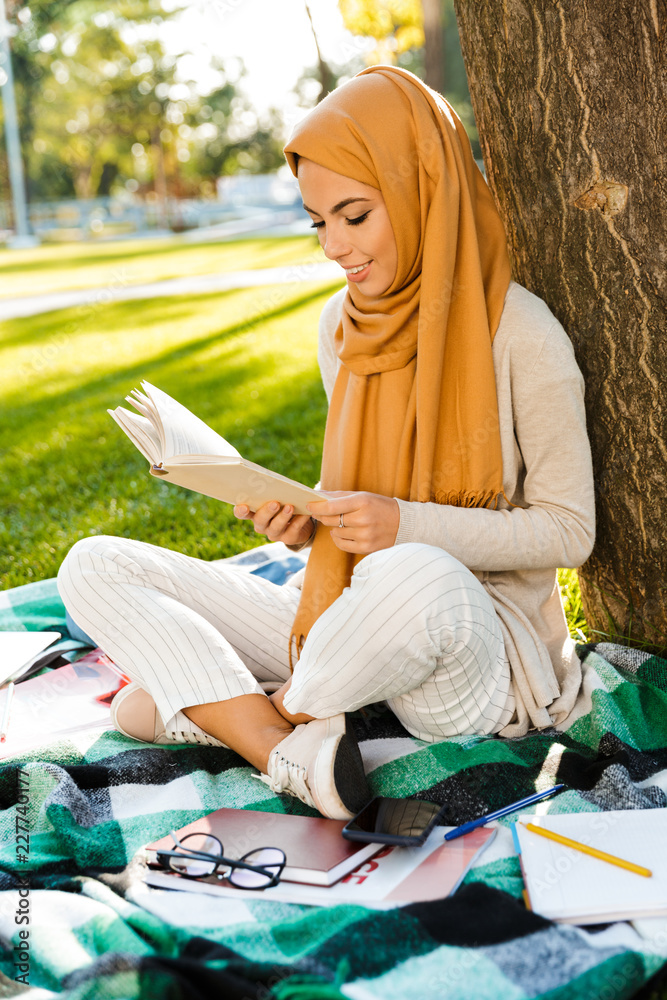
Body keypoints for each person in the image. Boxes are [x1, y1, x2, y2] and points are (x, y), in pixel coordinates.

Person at [57, 66, 595, 821]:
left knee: (409, 572)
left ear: (420, 192)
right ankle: (282, 744)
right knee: (95, 564)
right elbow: (356, 496)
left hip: (477, 653)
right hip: (349, 610)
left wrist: (403, 524)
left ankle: (244, 708)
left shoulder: (521, 333)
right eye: (318, 222)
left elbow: (569, 532)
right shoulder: (341, 329)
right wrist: (306, 519)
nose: (334, 248)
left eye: (355, 215)